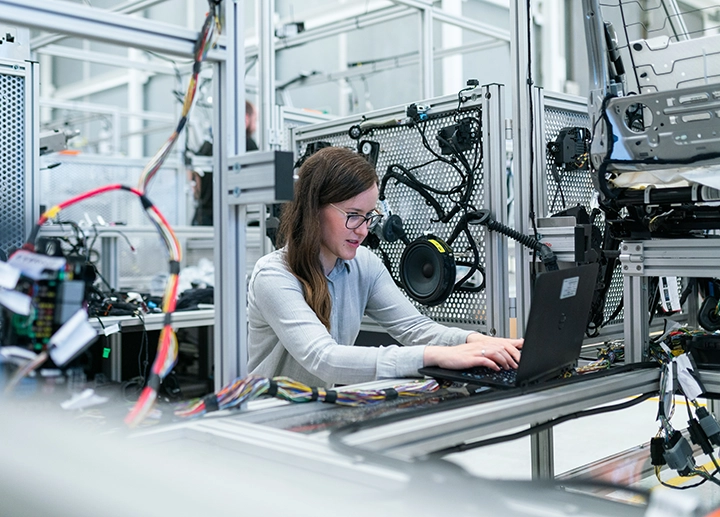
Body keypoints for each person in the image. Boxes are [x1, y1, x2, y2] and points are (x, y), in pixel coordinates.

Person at [247, 146, 523, 387]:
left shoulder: (363, 265)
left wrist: (476, 342)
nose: (364, 230)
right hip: (270, 422)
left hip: (317, 411)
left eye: (369, 216)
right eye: (353, 216)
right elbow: (324, 359)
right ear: (313, 209)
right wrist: (434, 356)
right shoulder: (274, 275)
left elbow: (415, 328)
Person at [190, 100, 258, 225]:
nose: (256, 125)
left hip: (203, 218)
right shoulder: (246, 143)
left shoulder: (209, 143)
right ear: (246, 118)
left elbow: (194, 177)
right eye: (256, 119)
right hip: (230, 218)